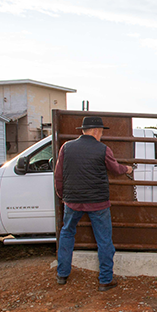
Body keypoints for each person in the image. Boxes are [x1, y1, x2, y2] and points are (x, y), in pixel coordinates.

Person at [54, 116, 133, 291]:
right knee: (104, 240)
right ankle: (105, 280)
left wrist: (63, 195)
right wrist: (127, 169)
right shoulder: (103, 149)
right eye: (102, 132)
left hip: (72, 201)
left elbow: (58, 175)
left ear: (83, 130)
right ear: (97, 131)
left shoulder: (66, 147)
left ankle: (62, 274)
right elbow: (114, 169)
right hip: (98, 203)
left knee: (66, 234)